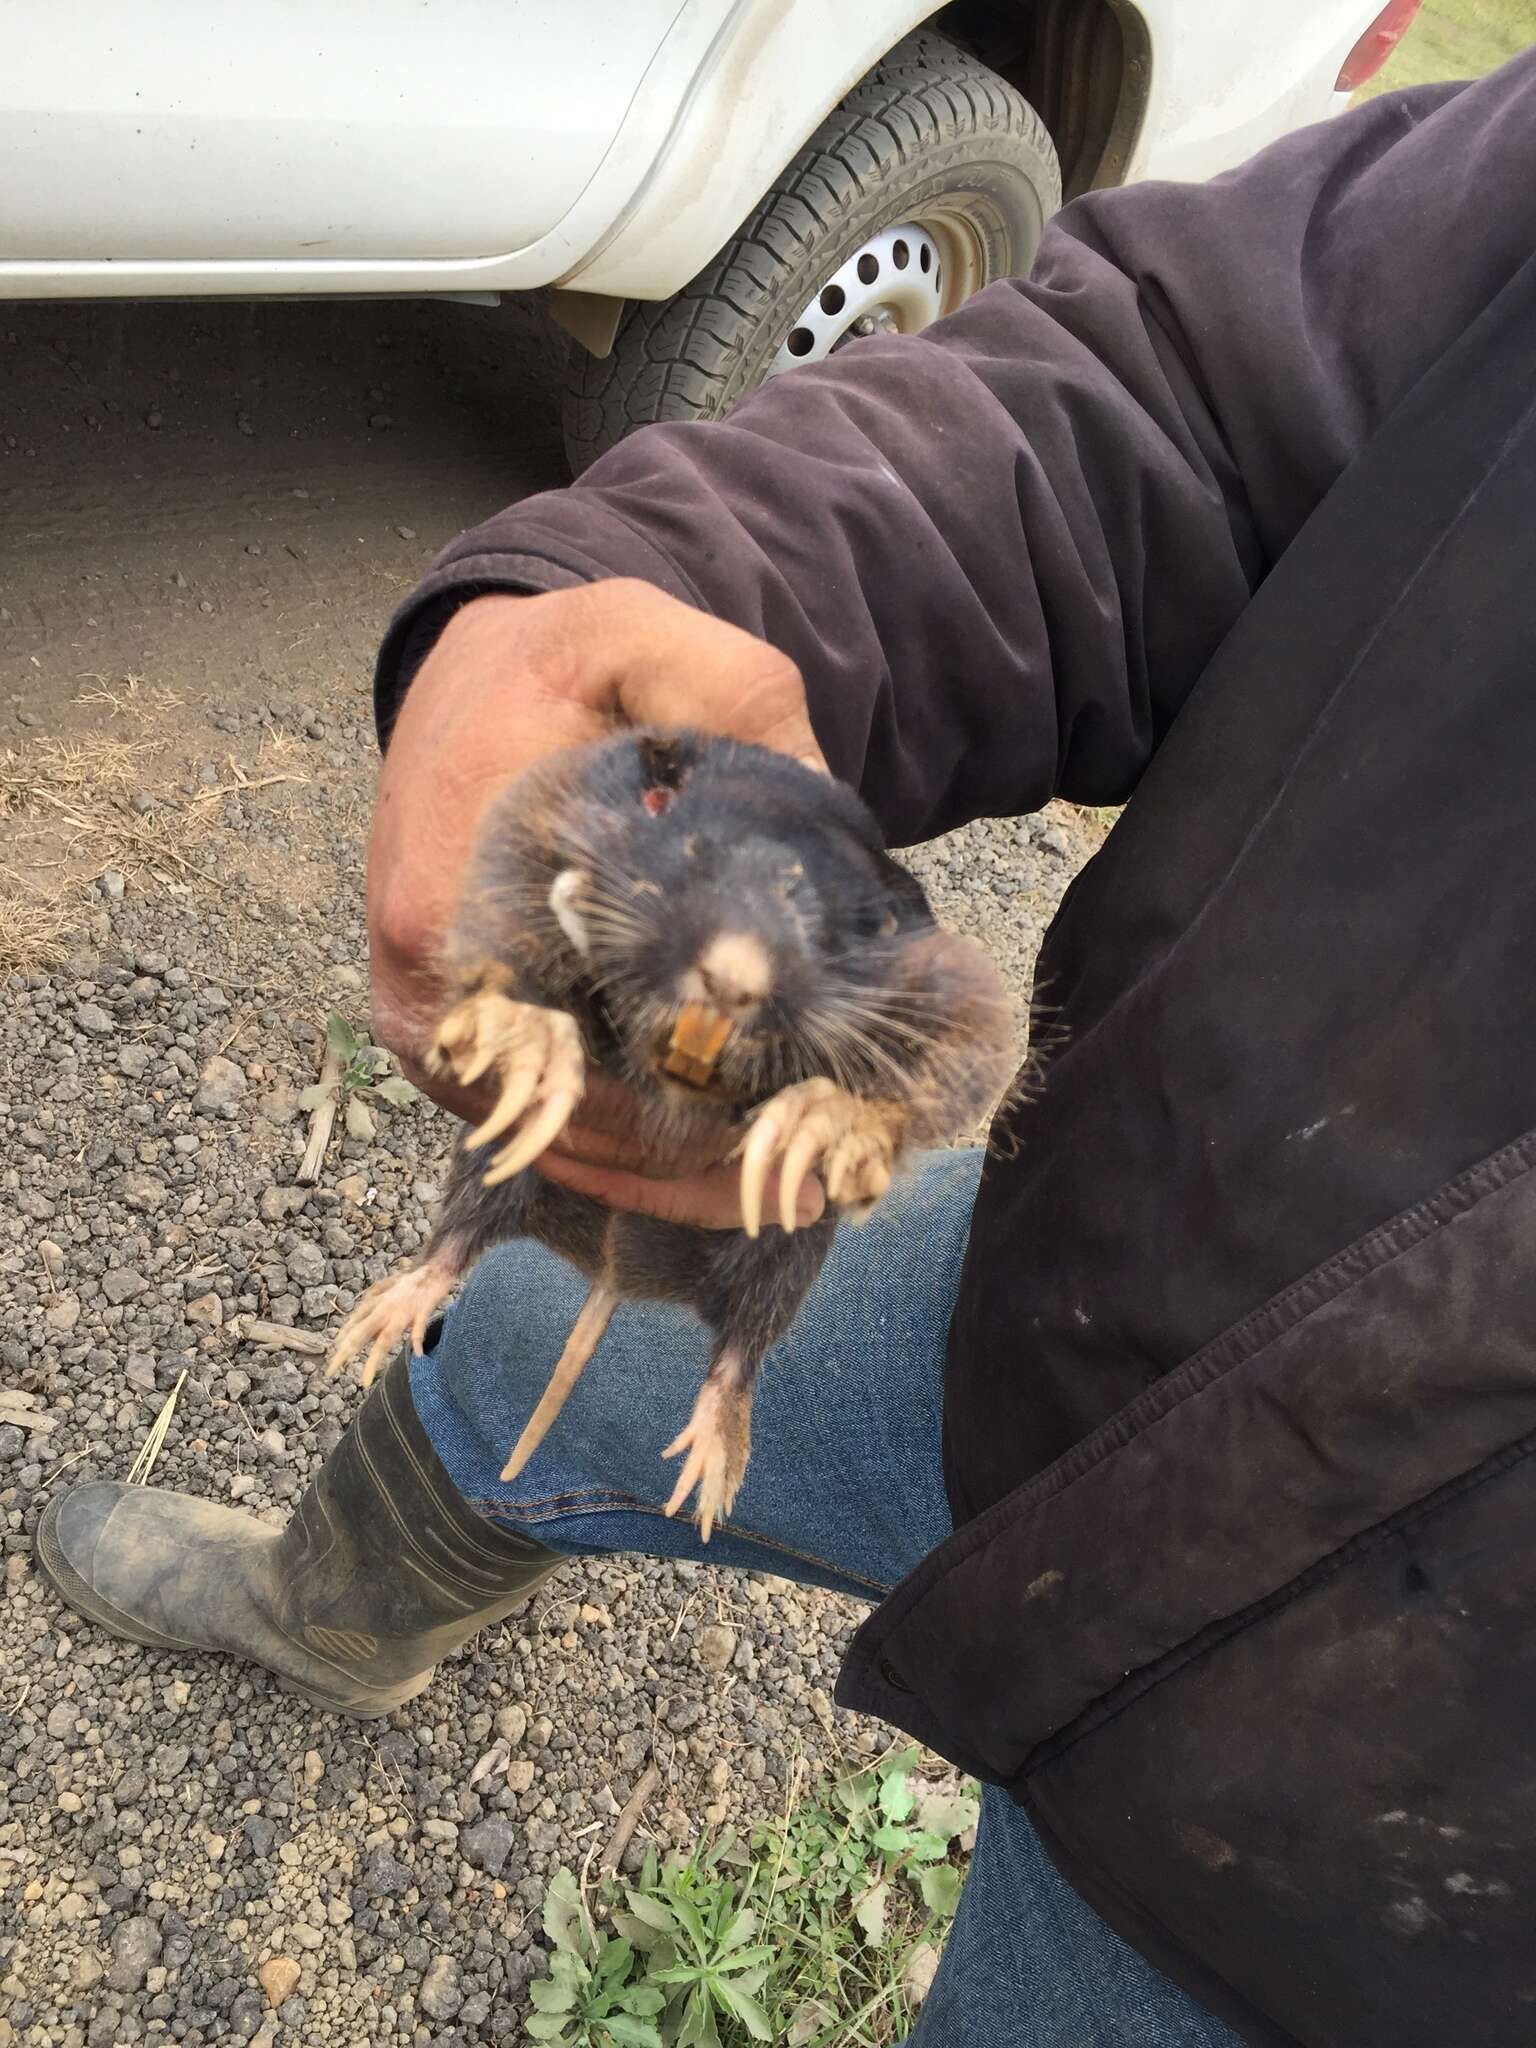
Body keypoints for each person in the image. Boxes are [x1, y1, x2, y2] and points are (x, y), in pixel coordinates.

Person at [36, 47, 1536, 2047]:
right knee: (515, 1339)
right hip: (1133, 1276)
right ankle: (338, 1612)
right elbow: (1184, 398)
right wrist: (658, 601)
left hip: (1382, 1896)